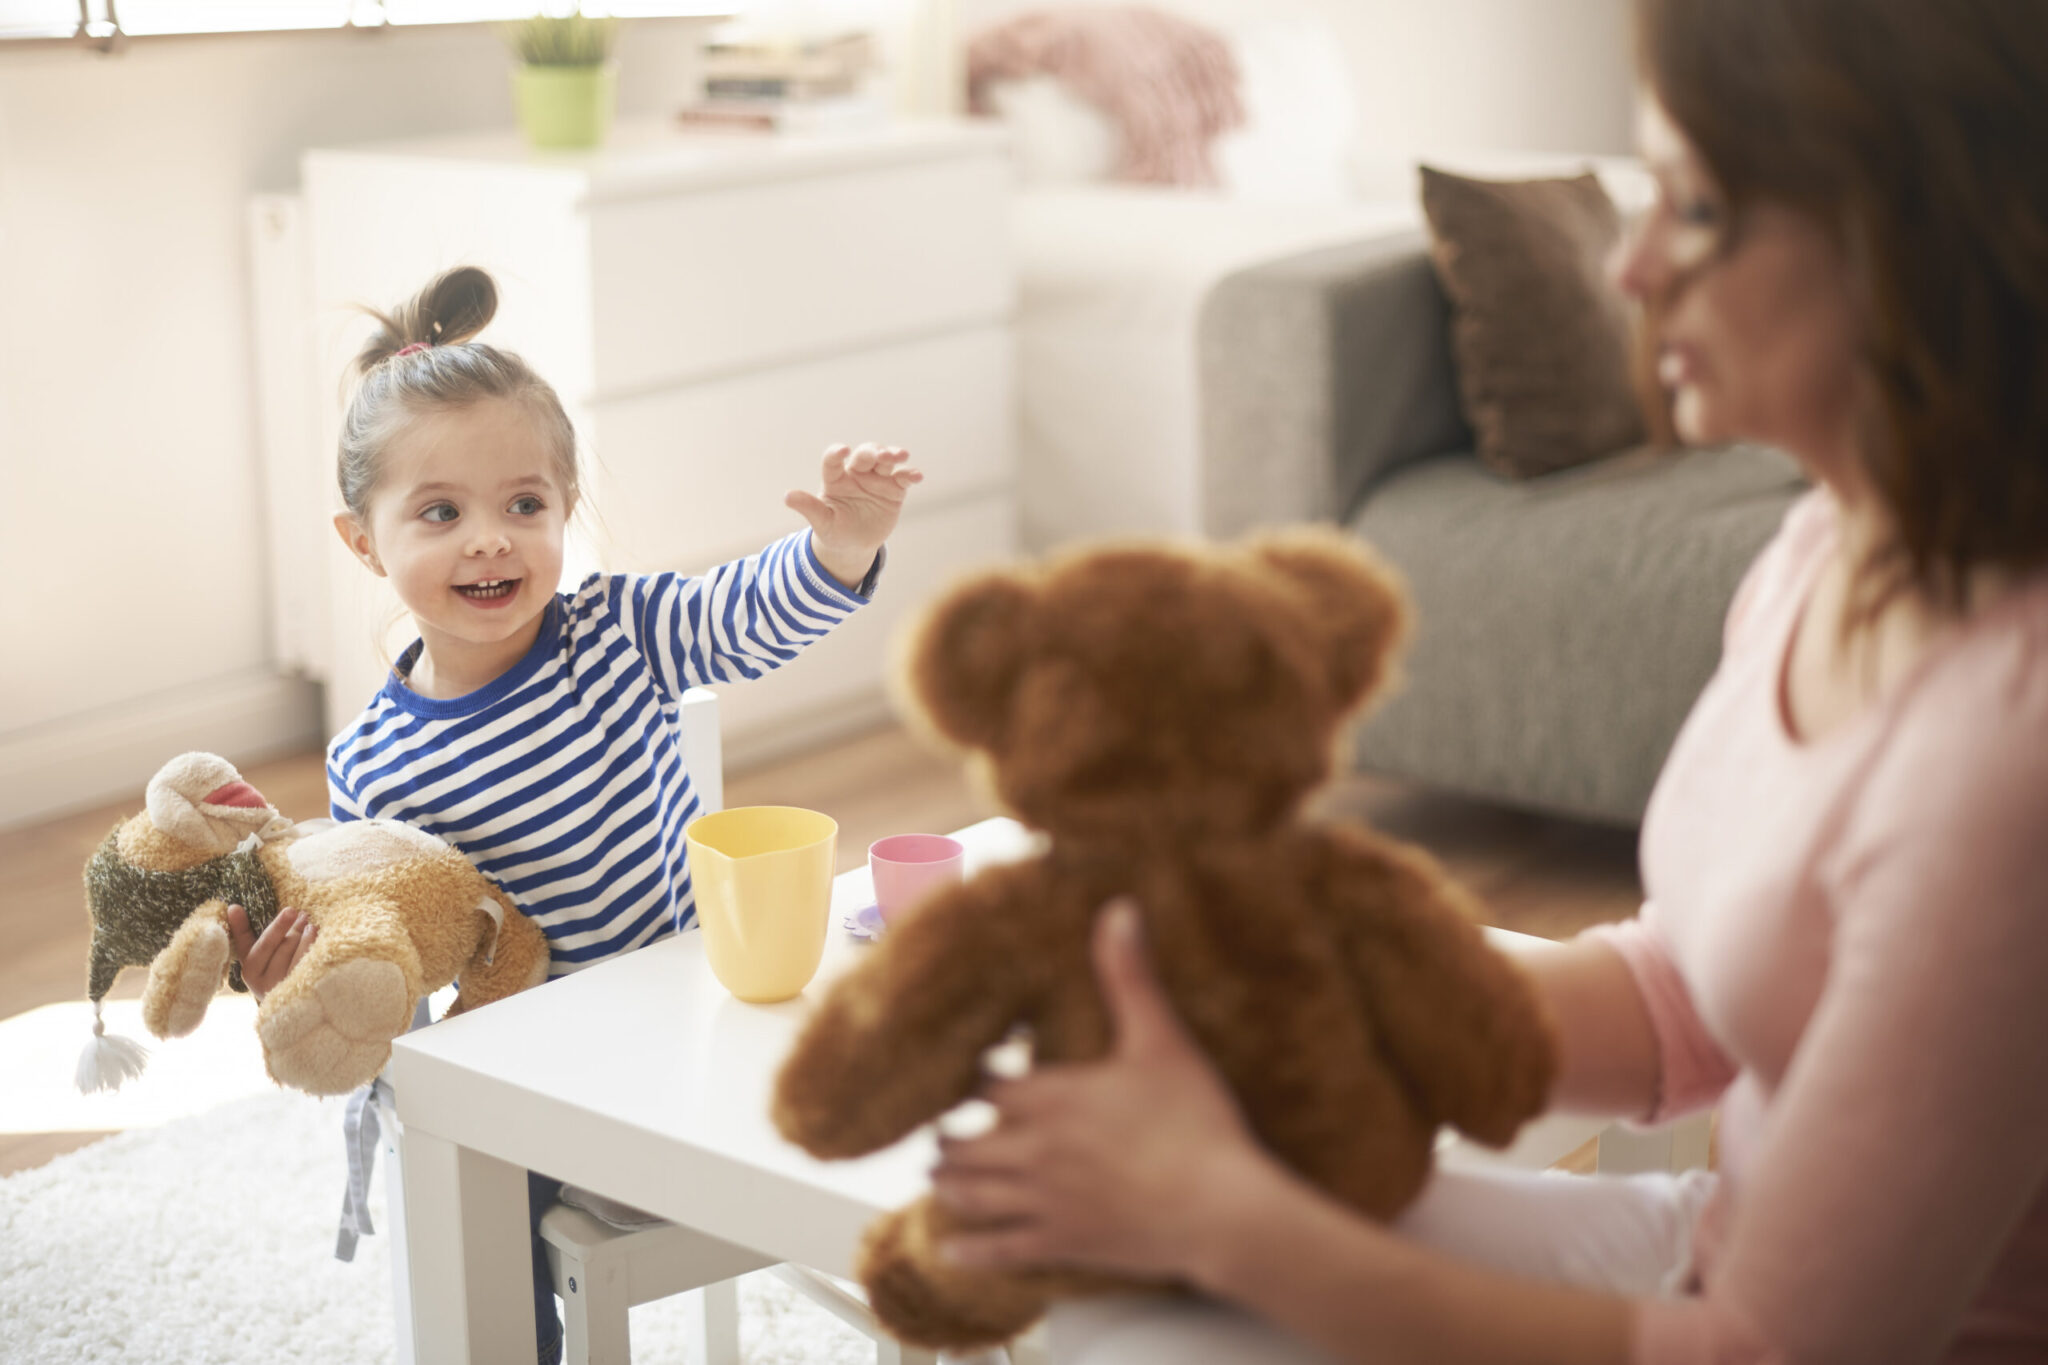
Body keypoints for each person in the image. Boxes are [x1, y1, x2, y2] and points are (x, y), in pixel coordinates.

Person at [928, 1, 2048, 1361]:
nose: (1629, 265)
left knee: (1174, 1284)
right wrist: (1292, 956)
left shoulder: (2005, 763)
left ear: (1917, 238)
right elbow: (1690, 999)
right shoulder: (1829, 541)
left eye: (1694, 211)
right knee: (1097, 1275)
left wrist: (1225, 1215)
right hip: (1711, 1253)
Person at [227, 263, 921, 1364]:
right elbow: (385, 947)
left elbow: (746, 616)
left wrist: (842, 545)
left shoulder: (618, 629)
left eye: (524, 505)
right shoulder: (374, 762)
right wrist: (301, 979)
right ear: (365, 543)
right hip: (543, 1068)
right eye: (440, 513)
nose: (490, 539)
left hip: (696, 1018)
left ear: (562, 511)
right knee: (472, 1200)